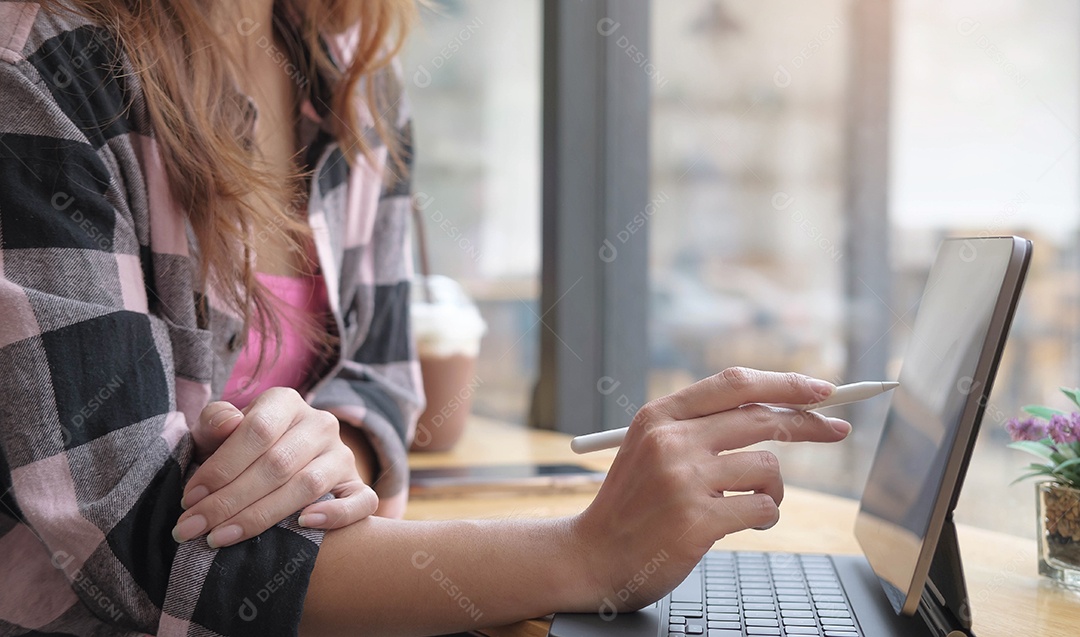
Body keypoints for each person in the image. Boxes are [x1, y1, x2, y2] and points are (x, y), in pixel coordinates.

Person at [0, 1, 853, 635]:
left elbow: (379, 374)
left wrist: (331, 445)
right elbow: (137, 554)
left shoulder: (350, 71)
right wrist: (586, 553)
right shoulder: (36, 71)